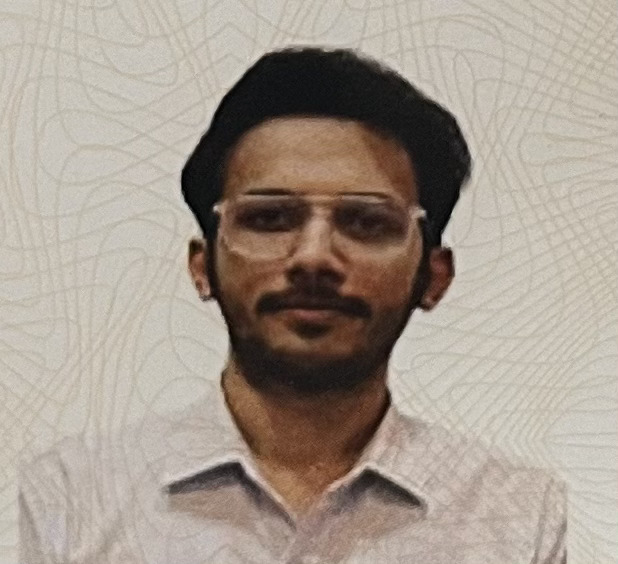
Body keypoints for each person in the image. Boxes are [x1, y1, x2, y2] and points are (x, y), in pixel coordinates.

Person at [19, 46, 566, 564]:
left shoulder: (521, 519)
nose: (314, 257)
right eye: (270, 218)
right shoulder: (69, 500)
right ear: (202, 265)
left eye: (365, 221)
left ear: (434, 277)